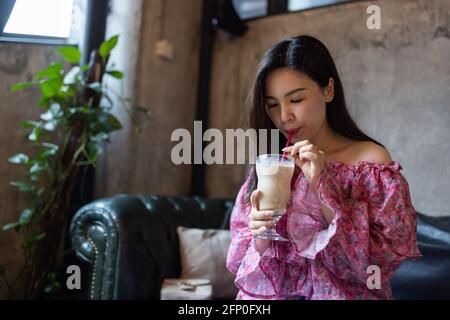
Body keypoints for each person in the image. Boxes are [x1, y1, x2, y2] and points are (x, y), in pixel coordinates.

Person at [225, 35, 421, 300]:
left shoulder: (370, 162)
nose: (284, 117)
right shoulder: (270, 165)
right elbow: (240, 262)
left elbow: (380, 262)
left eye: (295, 100)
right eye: (272, 105)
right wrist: (261, 237)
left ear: (328, 90)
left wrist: (321, 184)